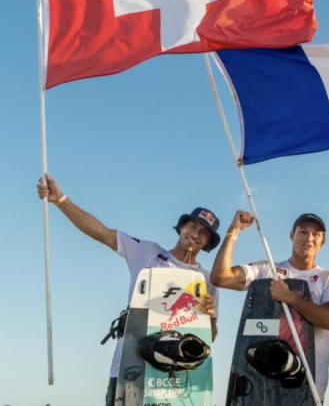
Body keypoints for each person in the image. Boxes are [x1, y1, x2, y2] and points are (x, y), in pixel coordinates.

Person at [36, 174, 219, 406]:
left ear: (208, 242)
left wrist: (209, 318)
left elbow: (210, 337)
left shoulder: (206, 279)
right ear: (182, 226)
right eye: (192, 225)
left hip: (177, 376)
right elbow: (103, 233)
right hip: (130, 366)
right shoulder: (148, 252)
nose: (195, 233)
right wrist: (60, 200)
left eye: (204, 232)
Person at [210, 210, 329, 400]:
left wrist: (291, 298)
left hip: (307, 386)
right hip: (261, 383)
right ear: (292, 235)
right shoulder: (268, 269)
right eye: (303, 232)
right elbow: (220, 277)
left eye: (316, 234)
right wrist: (234, 230)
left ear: (322, 242)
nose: (309, 238)